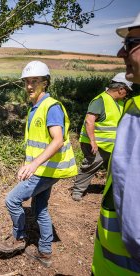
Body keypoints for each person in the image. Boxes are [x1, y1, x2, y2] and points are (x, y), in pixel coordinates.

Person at [0, 61, 78, 267]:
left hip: (46, 170)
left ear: (45, 83)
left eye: (35, 81)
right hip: (44, 168)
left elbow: (57, 140)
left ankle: (19, 237)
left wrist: (33, 165)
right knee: (39, 207)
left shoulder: (51, 107)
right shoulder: (36, 107)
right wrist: (28, 162)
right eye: (26, 82)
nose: (30, 86)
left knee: (12, 200)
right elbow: (35, 144)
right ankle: (45, 251)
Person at [91, 13, 140, 275]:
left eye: (131, 42)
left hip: (125, 266)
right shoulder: (131, 107)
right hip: (112, 263)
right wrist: (95, 143)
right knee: (88, 172)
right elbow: (90, 122)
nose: (122, 50)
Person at [71, 73, 132, 201]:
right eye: (126, 90)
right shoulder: (100, 100)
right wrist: (93, 142)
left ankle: (113, 191)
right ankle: (77, 191)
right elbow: (89, 121)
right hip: (95, 144)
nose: (127, 93)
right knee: (90, 166)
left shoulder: (119, 102)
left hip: (110, 145)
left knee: (116, 167)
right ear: (120, 89)